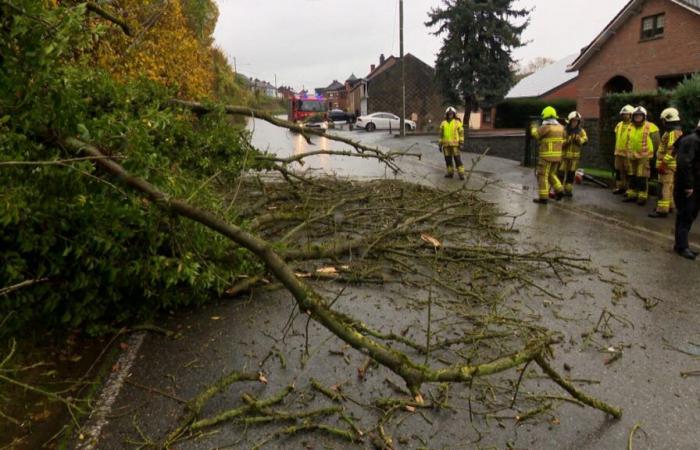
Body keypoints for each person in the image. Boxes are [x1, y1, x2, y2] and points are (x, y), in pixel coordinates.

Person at [649, 108, 683, 218]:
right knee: (669, 186)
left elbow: (672, 150)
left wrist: (664, 164)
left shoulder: (673, 133)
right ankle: (670, 206)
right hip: (668, 165)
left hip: (667, 165)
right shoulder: (673, 132)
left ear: (667, 120)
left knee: (664, 186)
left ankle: (662, 210)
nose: (662, 122)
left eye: (663, 120)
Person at [673, 120, 700, 260]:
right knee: (686, 215)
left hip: (695, 185)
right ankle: (682, 247)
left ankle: (681, 244)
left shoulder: (695, 140)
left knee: (689, 215)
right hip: (688, 187)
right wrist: (689, 185)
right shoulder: (692, 140)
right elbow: (684, 163)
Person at [623, 106, 660, 206]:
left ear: (644, 116)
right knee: (632, 175)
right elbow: (627, 141)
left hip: (644, 157)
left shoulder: (651, 127)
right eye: (636, 116)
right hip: (632, 156)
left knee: (642, 176)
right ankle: (632, 194)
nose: (638, 117)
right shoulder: (630, 127)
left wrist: (652, 155)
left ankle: (642, 196)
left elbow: (656, 142)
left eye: (640, 116)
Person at [531, 106, 565, 204]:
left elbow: (536, 135)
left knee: (542, 175)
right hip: (557, 157)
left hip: (546, 157)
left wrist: (533, 127)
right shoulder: (561, 127)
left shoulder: (546, 127)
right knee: (551, 174)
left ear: (545, 117)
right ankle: (560, 190)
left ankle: (543, 198)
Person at [560, 111, 588, 197]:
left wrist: (579, 140)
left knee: (571, 174)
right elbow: (559, 142)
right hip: (564, 157)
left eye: (576, 121)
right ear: (570, 121)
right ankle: (559, 190)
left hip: (574, 158)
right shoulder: (564, 130)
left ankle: (568, 190)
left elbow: (585, 139)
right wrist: (567, 141)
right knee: (560, 173)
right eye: (573, 121)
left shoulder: (581, 131)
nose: (575, 122)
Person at [613, 105, 635, 195]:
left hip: (628, 154)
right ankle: (620, 187)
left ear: (631, 115)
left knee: (629, 172)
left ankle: (629, 189)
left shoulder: (633, 126)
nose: (623, 116)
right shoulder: (619, 125)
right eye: (622, 114)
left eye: (626, 114)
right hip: (618, 152)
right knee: (619, 170)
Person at [439, 106, 465, 180]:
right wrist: (440, 144)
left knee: (457, 160)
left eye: (451, 113)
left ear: (454, 114)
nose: (450, 114)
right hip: (446, 145)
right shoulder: (443, 123)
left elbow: (461, 133)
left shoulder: (457, 122)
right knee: (448, 160)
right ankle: (450, 173)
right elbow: (441, 135)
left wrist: (461, 143)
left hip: (455, 145)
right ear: (446, 114)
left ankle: (461, 174)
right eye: (449, 113)